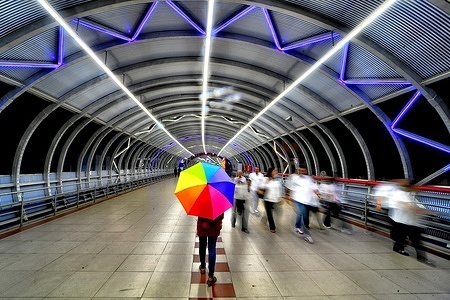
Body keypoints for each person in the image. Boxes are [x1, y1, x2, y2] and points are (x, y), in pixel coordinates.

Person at [377, 179, 434, 265]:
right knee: (408, 238)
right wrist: (426, 212)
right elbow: (407, 206)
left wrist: (425, 211)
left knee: (411, 239)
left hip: (408, 221)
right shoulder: (399, 194)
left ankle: (420, 256)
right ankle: (414, 254)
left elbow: (416, 205)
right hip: (401, 221)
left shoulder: (410, 194)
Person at [287, 167, 322, 244]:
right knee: (303, 215)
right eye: (301, 170)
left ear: (306, 171)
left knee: (301, 215)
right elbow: (290, 188)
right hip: (298, 200)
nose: (302, 172)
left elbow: (314, 188)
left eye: (304, 171)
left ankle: (297, 226)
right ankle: (307, 235)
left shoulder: (309, 179)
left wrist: (318, 194)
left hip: (307, 201)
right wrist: (289, 198)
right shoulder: (294, 178)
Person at [197, 213, 224, 286]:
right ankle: (211, 277)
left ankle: (202, 267)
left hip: (202, 225)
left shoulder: (199, 201)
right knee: (212, 249)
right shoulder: (219, 201)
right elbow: (221, 215)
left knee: (202, 246)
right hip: (214, 225)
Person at [258, 167, 283, 233]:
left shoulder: (277, 179)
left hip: (275, 199)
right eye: (274, 170)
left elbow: (279, 189)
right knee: (269, 214)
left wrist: (280, 198)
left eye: (276, 170)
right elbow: (261, 187)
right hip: (267, 199)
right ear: (270, 172)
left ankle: (263, 220)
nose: (276, 172)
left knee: (277, 212)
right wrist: (266, 182)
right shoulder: (265, 179)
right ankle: (272, 227)